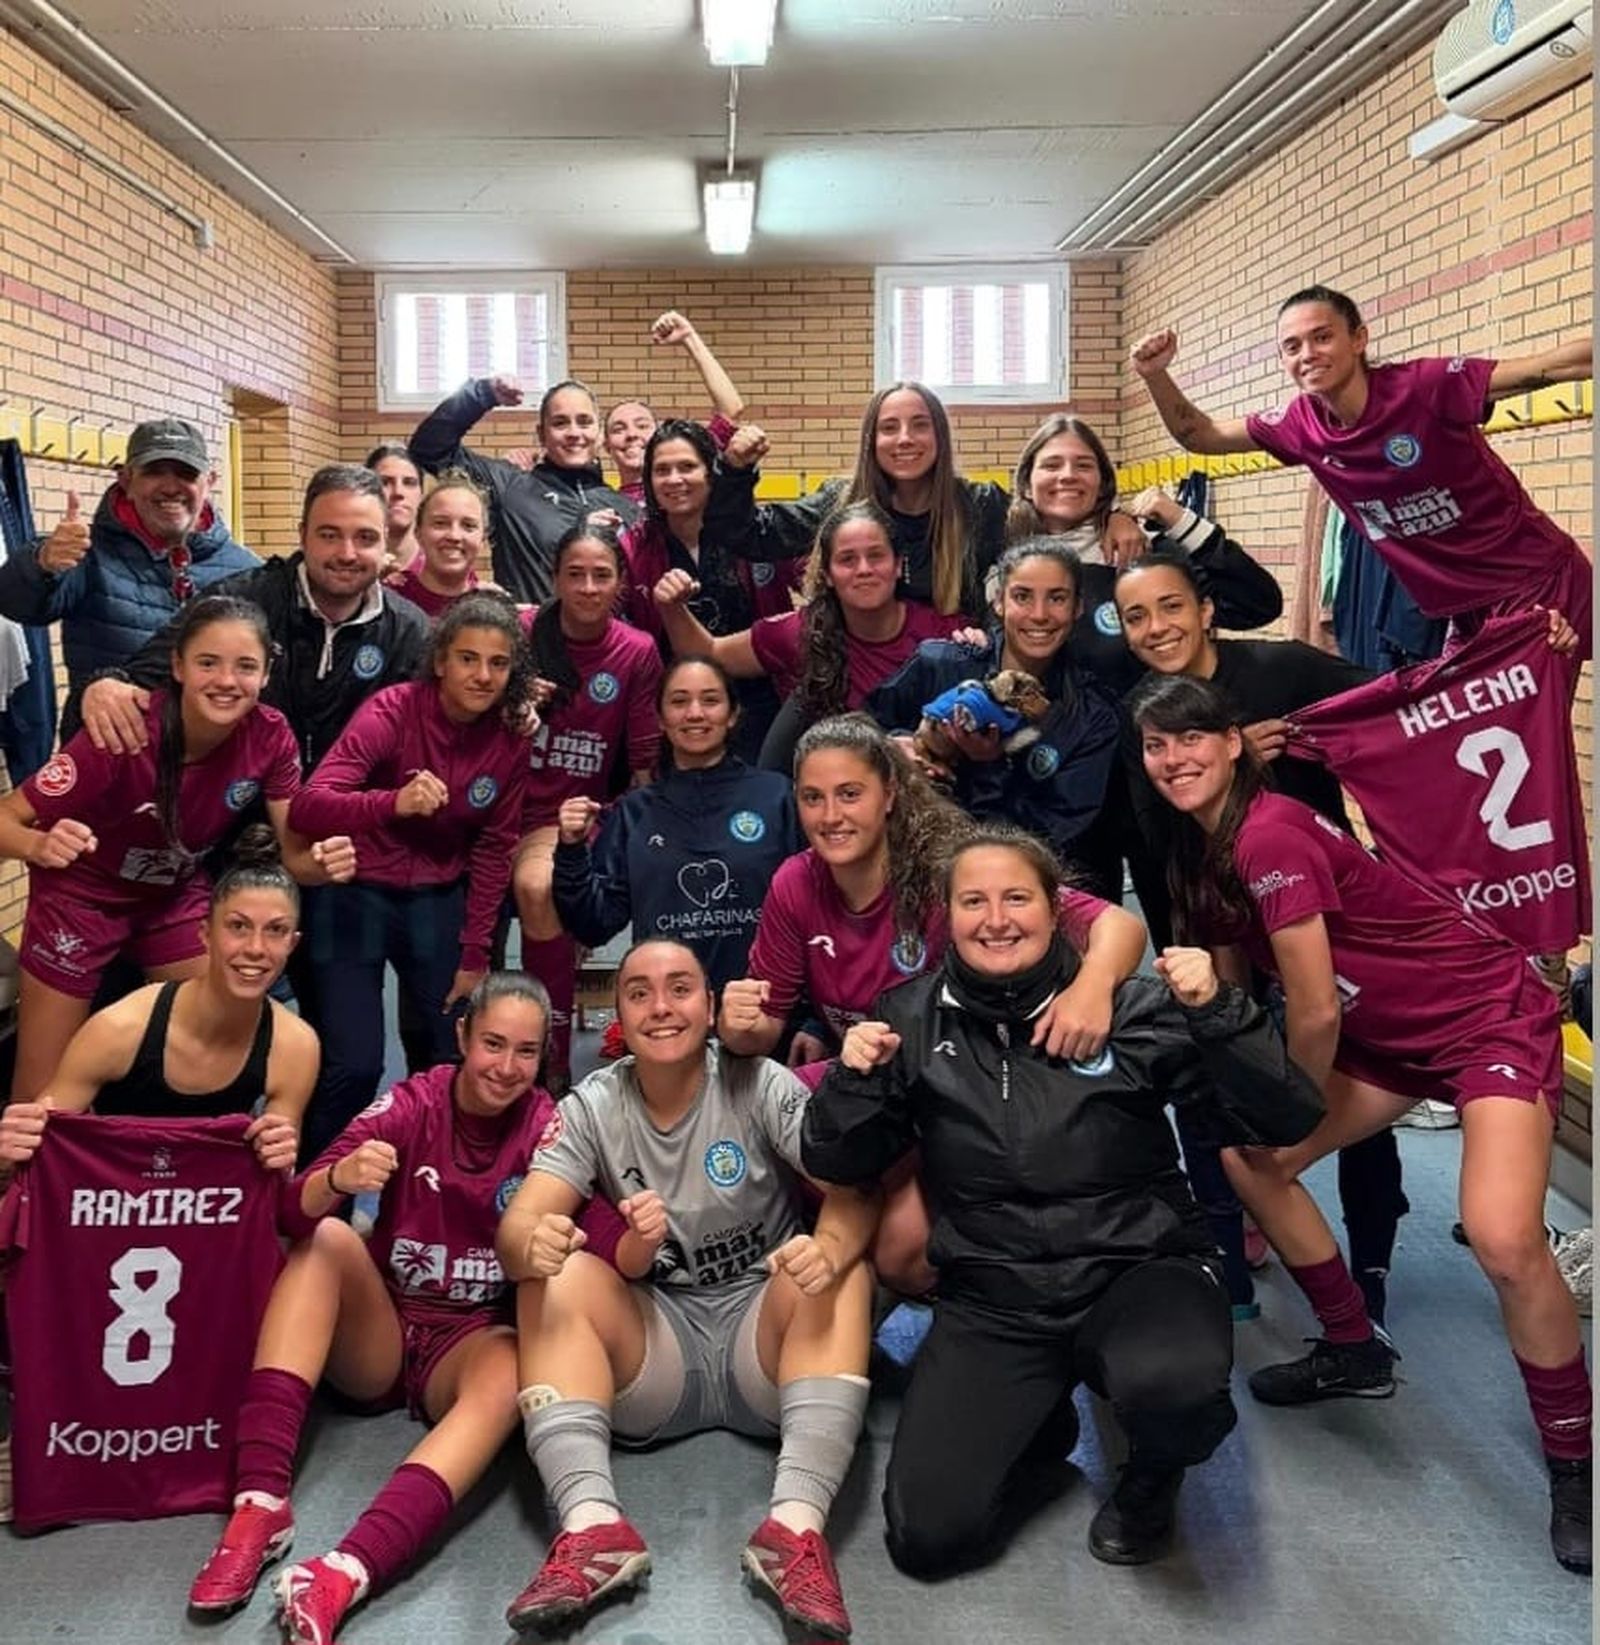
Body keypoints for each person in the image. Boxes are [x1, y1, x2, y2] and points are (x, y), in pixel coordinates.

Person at [1132, 672, 1591, 1574]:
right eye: (1155, 744)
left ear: (1233, 743)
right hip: (1389, 1039)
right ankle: (1353, 1347)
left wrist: (1291, 1099)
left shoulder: (1268, 835)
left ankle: (1576, 1462)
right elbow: (1234, 989)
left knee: (1503, 1239)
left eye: (1192, 737)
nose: (1174, 756)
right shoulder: (1203, 846)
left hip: (1479, 1019)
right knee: (1252, 1161)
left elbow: (1311, 1011)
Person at [800, 827, 1324, 1574]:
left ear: (1055, 909)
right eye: (973, 901)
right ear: (947, 915)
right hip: (996, 1293)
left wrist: (1217, 1013)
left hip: (1137, 1267)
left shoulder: (1133, 1008)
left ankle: (1151, 1478)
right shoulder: (910, 1016)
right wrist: (852, 1080)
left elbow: (1287, 1117)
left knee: (1174, 1385)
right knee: (927, 1536)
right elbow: (838, 1159)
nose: (997, 918)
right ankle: (1038, 1429)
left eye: (1017, 897)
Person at [183, 974, 618, 1644]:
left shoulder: (547, 1127)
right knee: (328, 1237)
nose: (506, 1066)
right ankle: (260, 1502)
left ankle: (347, 1569)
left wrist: (624, 1233)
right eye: (493, 1043)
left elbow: (606, 1240)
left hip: (468, 1343)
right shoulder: (412, 1102)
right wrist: (339, 1179)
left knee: (509, 1368)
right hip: (382, 1331)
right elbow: (290, 1210)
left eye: (526, 1051)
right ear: (463, 1036)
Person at [495, 938, 877, 1639]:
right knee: (550, 1271)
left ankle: (793, 1529)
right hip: (656, 1347)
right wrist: (531, 1242)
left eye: (680, 988)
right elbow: (520, 1222)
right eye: (639, 991)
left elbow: (850, 1196)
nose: (661, 1005)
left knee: (840, 1264)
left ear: (709, 1006)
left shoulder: (760, 1081)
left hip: (765, 1339)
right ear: (620, 1012)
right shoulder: (592, 1104)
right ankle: (592, 1525)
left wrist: (828, 1247)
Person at [718, 714, 1145, 1292]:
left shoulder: (948, 867)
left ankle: (978, 1295)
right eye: (813, 798)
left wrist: (1090, 989)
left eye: (850, 794)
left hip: (958, 1089)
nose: (831, 816)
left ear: (890, 794)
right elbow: (760, 1035)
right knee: (743, 1111)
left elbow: (1118, 924)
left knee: (903, 1255)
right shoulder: (796, 882)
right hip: (867, 1087)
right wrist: (738, 1024)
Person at [1113, 552, 1404, 1324]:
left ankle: (1368, 1269)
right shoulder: (1142, 708)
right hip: (1217, 922)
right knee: (1214, 1083)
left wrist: (1522, 646)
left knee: (1344, 1088)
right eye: (1136, 616)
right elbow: (1152, 835)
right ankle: (1229, 1254)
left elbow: (1405, 700)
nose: (1156, 627)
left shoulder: (1281, 669)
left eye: (1171, 606)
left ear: (1208, 609)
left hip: (1327, 924)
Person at [0, 595, 354, 1103]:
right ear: (178, 666)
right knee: (41, 1098)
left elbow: (296, 856)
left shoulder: (271, 736)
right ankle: (30, 1179)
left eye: (245, 666)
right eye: (208, 662)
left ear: (266, 674)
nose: (227, 681)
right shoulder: (121, 733)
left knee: (228, 1038)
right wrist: (39, 842)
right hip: (81, 896)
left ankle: (184, 1161)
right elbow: (4, 819)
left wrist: (320, 865)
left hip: (171, 893)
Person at [1130, 290, 1594, 666]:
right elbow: (1200, 435)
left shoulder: (1422, 387)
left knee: (1519, 739)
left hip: (1534, 583)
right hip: (1463, 608)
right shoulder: (1300, 424)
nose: (1307, 354)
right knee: (1456, 742)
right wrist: (1156, 376)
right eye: (1292, 347)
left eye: (1322, 337)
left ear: (1359, 339)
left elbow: (1547, 366)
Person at [286, 592, 535, 1160]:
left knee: (444, 1060)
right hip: (356, 899)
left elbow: (496, 848)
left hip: (435, 900)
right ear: (441, 660)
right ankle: (316, 1203)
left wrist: (476, 954)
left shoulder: (510, 735)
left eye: (498, 664)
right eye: (468, 658)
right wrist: (392, 803)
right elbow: (309, 805)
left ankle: (424, 1202)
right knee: (354, 1064)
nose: (482, 675)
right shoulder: (393, 709)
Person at [74, 465, 430, 778]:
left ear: (386, 539)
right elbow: (144, 676)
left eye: (365, 537)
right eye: (329, 535)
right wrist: (106, 685)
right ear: (303, 534)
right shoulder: (236, 602)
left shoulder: (410, 632)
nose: (347, 553)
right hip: (241, 827)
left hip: (353, 822)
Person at [0, 827, 318, 1177]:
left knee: (331, 1235)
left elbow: (276, 1182)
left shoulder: (295, 1045)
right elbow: (37, 1150)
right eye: (238, 926)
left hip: (202, 1201)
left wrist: (278, 1156)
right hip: (112, 1194)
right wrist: (14, 1144)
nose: (256, 949)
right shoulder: (119, 1028)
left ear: (293, 944)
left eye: (275, 931)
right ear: (204, 935)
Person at [705, 383, 1143, 621]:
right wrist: (735, 471)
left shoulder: (981, 506)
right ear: (870, 440)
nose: (905, 439)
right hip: (855, 673)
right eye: (889, 427)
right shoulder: (840, 504)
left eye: (919, 425)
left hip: (952, 677)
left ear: (940, 436)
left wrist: (1114, 514)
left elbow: (1050, 524)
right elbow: (745, 534)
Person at [865, 538, 1123, 897]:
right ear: (998, 601)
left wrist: (989, 767)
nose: (1039, 614)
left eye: (1057, 598)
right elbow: (861, 732)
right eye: (1022, 596)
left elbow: (1053, 837)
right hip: (917, 883)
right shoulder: (941, 664)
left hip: (1023, 895)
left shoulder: (1091, 716)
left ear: (1078, 607)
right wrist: (897, 750)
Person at [653, 499, 975, 766]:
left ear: (897, 564)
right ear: (829, 575)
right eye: (847, 559)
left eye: (876, 556)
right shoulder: (803, 632)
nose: (863, 569)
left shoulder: (947, 634)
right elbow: (709, 652)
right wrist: (671, 606)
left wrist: (979, 651)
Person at [551, 655, 799, 994]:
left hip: (765, 1011)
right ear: (660, 719)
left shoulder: (778, 796)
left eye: (710, 700)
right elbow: (594, 925)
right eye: (679, 701)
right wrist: (571, 849)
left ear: (733, 714)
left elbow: (815, 910)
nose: (695, 713)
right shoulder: (634, 813)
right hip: (667, 1015)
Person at [514, 526, 662, 1088]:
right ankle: (547, 1062)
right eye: (574, 574)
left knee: (558, 897)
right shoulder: (525, 632)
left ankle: (549, 1051)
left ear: (621, 583)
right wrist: (517, 706)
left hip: (590, 809)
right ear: (554, 578)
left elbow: (644, 749)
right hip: (517, 809)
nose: (587, 586)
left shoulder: (637, 649)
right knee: (538, 888)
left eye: (601, 575)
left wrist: (645, 827)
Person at [0, 417, 258, 738]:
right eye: (153, 471)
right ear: (126, 479)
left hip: (214, 767)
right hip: (111, 758)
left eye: (186, 473)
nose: (170, 486)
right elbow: (16, 604)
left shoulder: (247, 571)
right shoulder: (85, 554)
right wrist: (41, 563)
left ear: (210, 482)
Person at [1005, 412, 1282, 694]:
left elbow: (1257, 605)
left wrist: (1178, 519)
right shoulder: (998, 551)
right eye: (1052, 465)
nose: (1067, 475)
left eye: (1084, 465)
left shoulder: (1144, 552)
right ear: (1026, 483)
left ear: (1102, 483)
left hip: (1140, 732)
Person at [619, 418, 798, 760]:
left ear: (710, 473)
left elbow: (821, 574)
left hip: (763, 702)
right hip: (681, 711)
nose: (674, 480)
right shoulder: (633, 547)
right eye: (662, 470)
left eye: (687, 467)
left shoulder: (758, 531)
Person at [411, 376, 636, 603]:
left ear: (599, 432)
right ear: (541, 434)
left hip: (606, 637)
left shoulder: (624, 507)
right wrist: (481, 395)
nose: (574, 433)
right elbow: (430, 449)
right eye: (560, 423)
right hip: (527, 635)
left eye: (584, 422)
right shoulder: (509, 486)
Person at [603, 311, 749, 502]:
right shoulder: (601, 505)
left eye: (642, 425)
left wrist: (689, 338)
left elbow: (731, 411)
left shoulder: (689, 481)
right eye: (618, 429)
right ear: (606, 445)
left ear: (659, 435)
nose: (632, 434)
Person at [387, 469, 485, 618]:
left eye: (468, 525)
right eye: (440, 523)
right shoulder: (387, 601)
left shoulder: (494, 609)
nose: (454, 536)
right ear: (418, 533)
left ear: (483, 539)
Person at [365, 442, 423, 577]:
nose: (398, 492)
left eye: (409, 483)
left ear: (421, 494)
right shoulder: (349, 564)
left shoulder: (438, 567)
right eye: (384, 482)